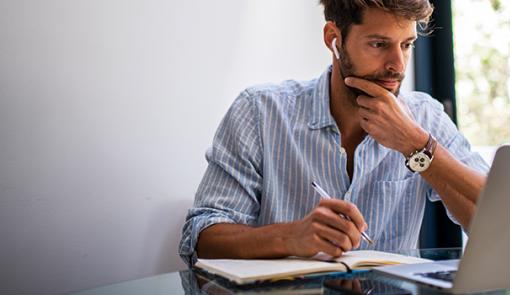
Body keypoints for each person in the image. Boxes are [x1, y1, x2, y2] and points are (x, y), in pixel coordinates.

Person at [179, 0, 489, 266]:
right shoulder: (259, 111)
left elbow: (494, 218)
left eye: (406, 45)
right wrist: (292, 237)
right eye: (379, 44)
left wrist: (417, 147)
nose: (398, 66)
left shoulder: (425, 118)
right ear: (334, 39)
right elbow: (201, 237)